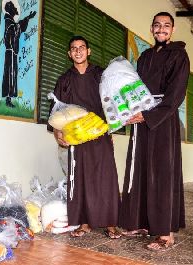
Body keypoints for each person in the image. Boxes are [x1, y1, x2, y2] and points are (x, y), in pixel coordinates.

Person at [119, 12, 190, 250]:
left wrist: (149, 115)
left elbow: (176, 95)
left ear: (173, 29)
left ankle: (165, 232)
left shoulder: (179, 55)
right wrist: (128, 111)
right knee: (139, 169)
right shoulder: (146, 56)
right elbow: (135, 89)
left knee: (162, 173)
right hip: (141, 118)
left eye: (166, 26)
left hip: (163, 120)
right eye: (157, 26)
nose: (161, 29)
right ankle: (142, 222)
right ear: (151, 29)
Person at [47, 36, 121, 239]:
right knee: (79, 178)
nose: (78, 51)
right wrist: (58, 134)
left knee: (105, 178)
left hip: (99, 132)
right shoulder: (64, 80)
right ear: (69, 54)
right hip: (75, 137)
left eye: (81, 48)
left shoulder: (101, 75)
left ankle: (110, 223)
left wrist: (111, 129)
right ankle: (84, 222)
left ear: (89, 51)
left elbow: (112, 103)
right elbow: (55, 112)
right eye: (73, 49)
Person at [2, 1, 36, 107]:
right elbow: (14, 30)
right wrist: (25, 20)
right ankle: (8, 99)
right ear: (10, 10)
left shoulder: (10, 21)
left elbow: (17, 27)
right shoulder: (8, 20)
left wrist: (28, 18)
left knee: (12, 73)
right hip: (10, 51)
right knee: (10, 74)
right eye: (14, 8)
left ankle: (9, 98)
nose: (16, 10)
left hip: (12, 52)